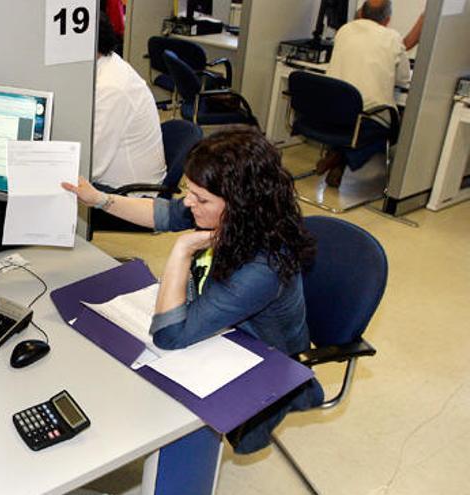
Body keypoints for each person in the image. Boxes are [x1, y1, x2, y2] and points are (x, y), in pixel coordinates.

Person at [63, 126, 323, 453]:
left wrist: (182, 251)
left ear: (240, 203)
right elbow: (165, 213)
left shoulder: (263, 268)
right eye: (189, 190)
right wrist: (99, 200)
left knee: (150, 392)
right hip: (219, 330)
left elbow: (170, 335)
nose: (188, 202)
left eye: (200, 198)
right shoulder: (230, 218)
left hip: (258, 359)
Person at [318, 0, 410, 187]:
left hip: (332, 115)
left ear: (361, 13)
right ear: (388, 19)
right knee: (390, 129)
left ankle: (339, 156)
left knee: (351, 124)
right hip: (366, 118)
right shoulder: (392, 38)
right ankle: (343, 156)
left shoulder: (344, 31)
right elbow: (403, 79)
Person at [93, 12, 166, 190]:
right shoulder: (107, 64)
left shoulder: (110, 87)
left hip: (128, 193)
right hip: (115, 179)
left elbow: (91, 165)